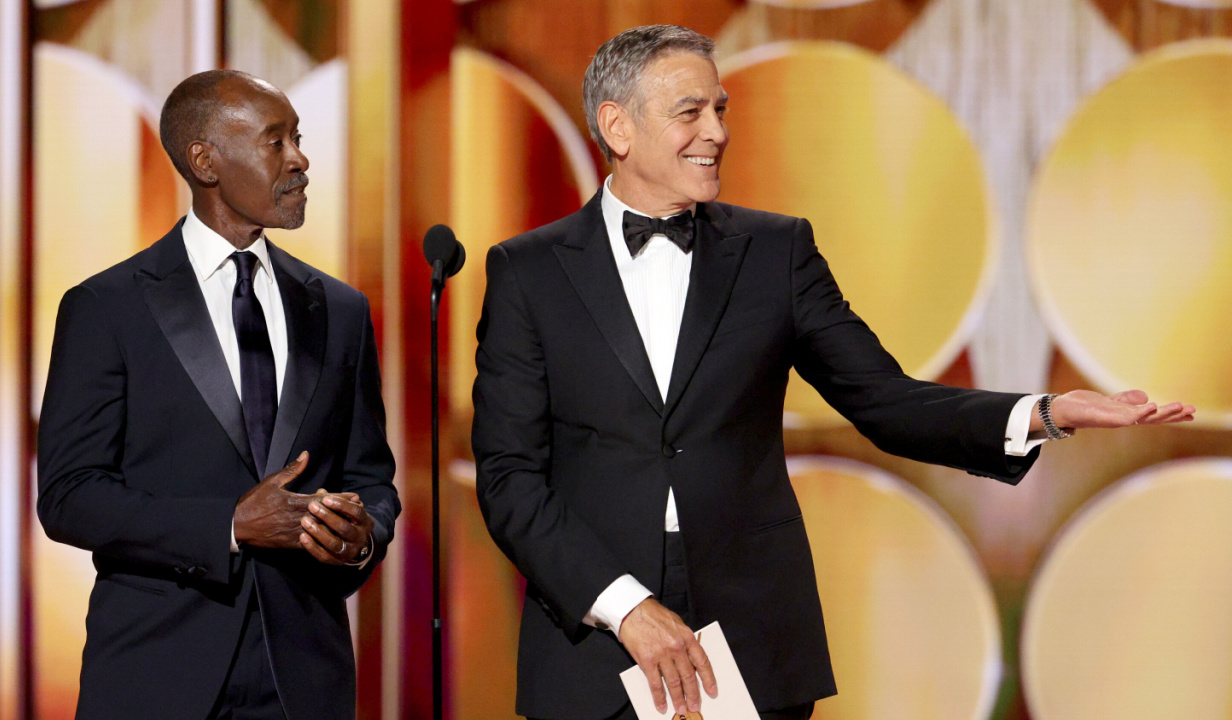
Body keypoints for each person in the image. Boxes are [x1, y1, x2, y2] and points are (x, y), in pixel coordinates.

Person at [471, 25, 1194, 720]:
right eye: (690, 112)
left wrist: (1044, 413)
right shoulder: (526, 272)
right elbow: (509, 478)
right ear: (617, 128)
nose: (718, 132)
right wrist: (626, 607)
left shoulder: (775, 252)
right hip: (595, 651)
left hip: (752, 642)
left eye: (720, 109)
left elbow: (885, 401)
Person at [36, 69, 399, 720]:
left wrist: (360, 534)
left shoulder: (339, 310)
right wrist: (229, 526)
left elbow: (372, 477)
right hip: (155, 678)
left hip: (305, 684)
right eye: (275, 141)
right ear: (206, 160)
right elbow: (69, 497)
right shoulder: (107, 308)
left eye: (298, 137)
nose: (300, 159)